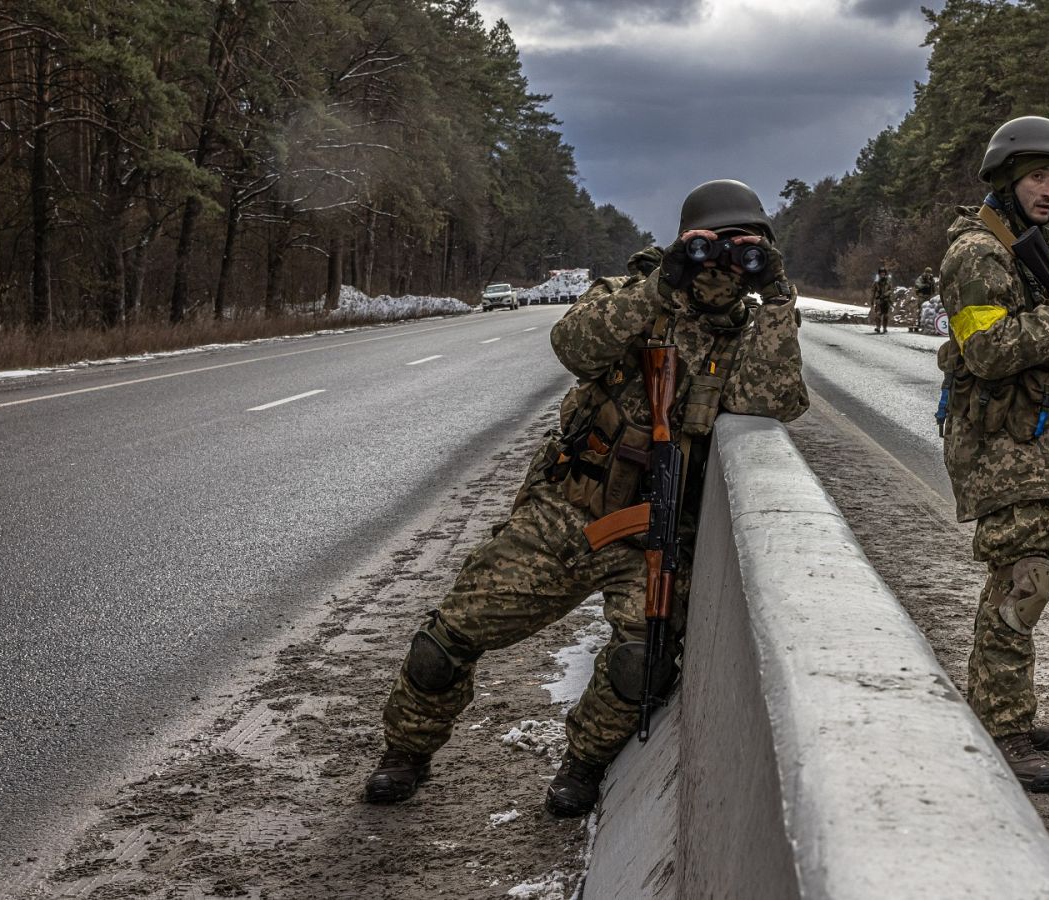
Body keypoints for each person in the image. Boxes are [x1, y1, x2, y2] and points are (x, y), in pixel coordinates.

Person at [362, 179, 808, 817]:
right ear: (685, 242)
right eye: (716, 245)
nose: (727, 262)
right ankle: (405, 753)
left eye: (748, 247)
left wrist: (779, 300)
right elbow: (572, 345)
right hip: (569, 512)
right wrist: (665, 284)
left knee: (640, 665)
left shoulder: (749, 330)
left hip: (656, 530)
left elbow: (773, 400)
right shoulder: (633, 297)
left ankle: (583, 766)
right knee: (447, 641)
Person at [935, 115, 1049, 793]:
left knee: (1024, 583)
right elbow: (989, 350)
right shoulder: (978, 254)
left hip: (1026, 445)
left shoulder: (1020, 252)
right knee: (1022, 585)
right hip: (999, 449)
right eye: (1038, 176)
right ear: (1007, 179)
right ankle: (1003, 725)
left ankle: (1006, 707)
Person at [870, 265, 894, 333]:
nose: (882, 274)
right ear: (879, 274)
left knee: (886, 315)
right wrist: (872, 300)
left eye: (883, 273)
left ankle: (885, 328)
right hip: (879, 300)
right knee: (878, 314)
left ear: (885, 273)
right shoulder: (876, 282)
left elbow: (891, 290)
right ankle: (878, 327)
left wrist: (886, 294)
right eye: (881, 273)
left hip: (886, 300)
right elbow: (873, 291)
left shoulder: (888, 281)